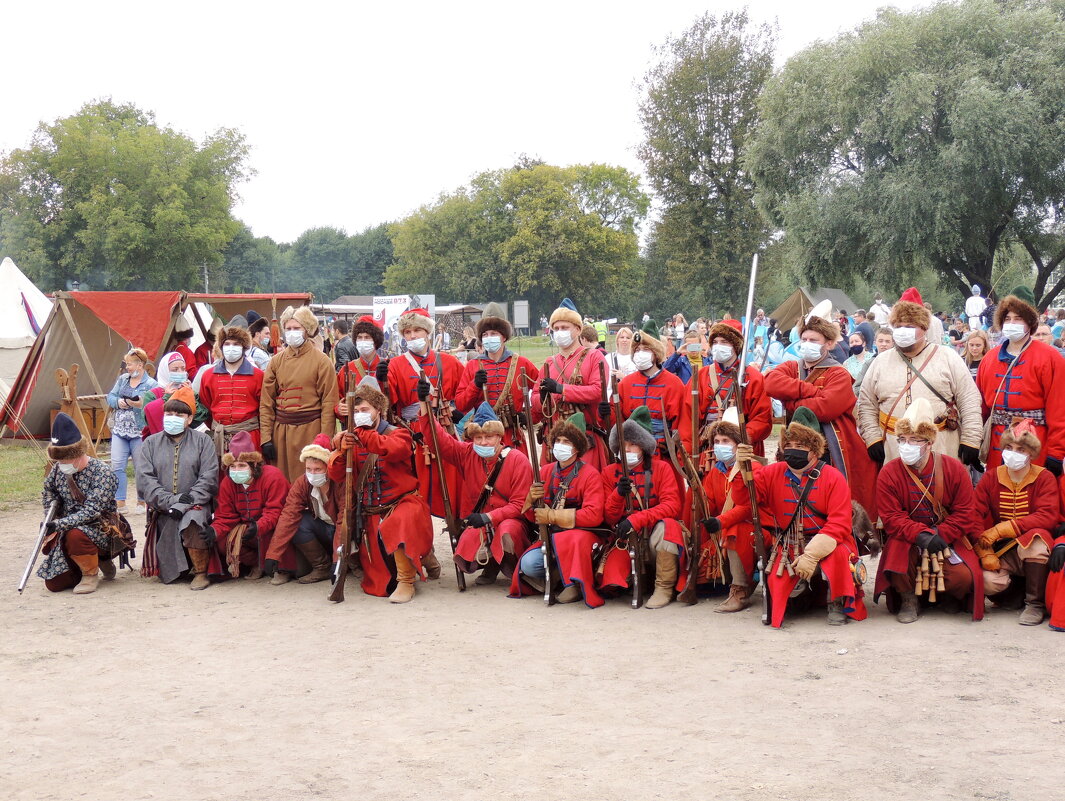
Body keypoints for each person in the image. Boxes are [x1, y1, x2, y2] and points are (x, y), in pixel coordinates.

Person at [739, 407, 867, 628]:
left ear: (814, 450)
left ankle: (836, 602)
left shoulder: (833, 477)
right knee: (779, 585)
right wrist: (742, 468)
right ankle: (800, 597)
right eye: (789, 445)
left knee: (838, 556)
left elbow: (839, 524)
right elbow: (747, 499)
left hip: (828, 539)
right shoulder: (771, 473)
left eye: (800, 446)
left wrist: (811, 554)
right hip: (788, 541)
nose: (793, 450)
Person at [873, 399, 983, 623]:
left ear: (929, 443)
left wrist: (940, 534)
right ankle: (908, 599)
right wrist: (921, 535)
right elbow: (892, 518)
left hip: (947, 538)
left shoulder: (954, 469)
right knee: (897, 558)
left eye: (914, 440)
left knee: (963, 577)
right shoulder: (888, 473)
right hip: (908, 538)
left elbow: (965, 513)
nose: (906, 445)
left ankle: (947, 596)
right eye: (902, 439)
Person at [327, 376, 434, 602]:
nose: (359, 414)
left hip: (403, 504)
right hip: (372, 513)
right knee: (379, 583)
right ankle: (419, 562)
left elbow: (391, 449)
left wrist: (362, 434)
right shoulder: (352, 439)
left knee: (398, 522)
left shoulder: (398, 433)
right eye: (355, 410)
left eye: (364, 408)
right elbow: (337, 476)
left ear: (378, 410)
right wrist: (339, 450)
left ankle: (407, 581)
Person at [764, 313, 877, 517]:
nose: (807, 344)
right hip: (795, 445)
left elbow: (825, 409)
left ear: (830, 343)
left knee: (829, 499)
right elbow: (770, 382)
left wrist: (789, 402)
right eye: (804, 339)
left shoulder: (839, 373)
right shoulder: (792, 367)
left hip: (830, 449)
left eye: (813, 340)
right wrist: (810, 391)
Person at [858, 288, 983, 466]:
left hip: (941, 446)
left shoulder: (948, 357)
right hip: (893, 448)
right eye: (898, 326)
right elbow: (867, 404)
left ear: (923, 328)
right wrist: (873, 438)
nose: (902, 331)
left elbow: (969, 400)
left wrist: (970, 440)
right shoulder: (880, 362)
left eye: (909, 327)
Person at [417, 402, 533, 585]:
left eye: (488, 436)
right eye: (478, 437)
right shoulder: (466, 453)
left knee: (507, 533)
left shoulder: (518, 460)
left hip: (510, 521)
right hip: (480, 521)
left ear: (499, 437)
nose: (483, 442)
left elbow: (520, 505)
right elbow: (439, 441)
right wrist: (425, 408)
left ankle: (513, 569)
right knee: (468, 545)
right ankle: (491, 564)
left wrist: (488, 516)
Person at [510, 413, 606, 605]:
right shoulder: (546, 471)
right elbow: (533, 517)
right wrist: (530, 500)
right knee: (529, 564)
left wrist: (552, 515)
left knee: (573, 539)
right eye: (558, 440)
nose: (560, 445)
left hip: (581, 536)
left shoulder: (590, 474)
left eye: (567, 441)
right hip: (552, 537)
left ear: (577, 447)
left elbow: (593, 515)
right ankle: (560, 576)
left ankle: (575, 583)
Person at [974, 420, 1060, 625]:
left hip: (1033, 546)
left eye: (1021, 449)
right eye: (1009, 448)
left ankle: (1035, 604)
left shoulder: (1044, 477)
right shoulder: (991, 477)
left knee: (1036, 542)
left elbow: (1048, 515)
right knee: (987, 582)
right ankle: (1013, 595)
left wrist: (1006, 527)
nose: (1013, 453)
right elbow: (973, 514)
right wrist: (984, 551)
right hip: (1004, 549)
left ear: (1031, 453)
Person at [599, 406, 685, 608]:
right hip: (625, 539)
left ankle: (664, 587)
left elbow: (672, 505)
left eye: (633, 445)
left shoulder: (661, 468)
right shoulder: (609, 472)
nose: (626, 450)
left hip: (653, 533)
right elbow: (608, 517)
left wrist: (637, 519)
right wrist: (617, 495)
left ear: (644, 447)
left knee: (669, 528)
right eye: (623, 444)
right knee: (611, 583)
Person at [385, 306, 464, 524]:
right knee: (416, 491)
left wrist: (458, 414)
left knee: (452, 486)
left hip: (443, 431)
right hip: (414, 434)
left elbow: (464, 395)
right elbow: (388, 403)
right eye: (407, 332)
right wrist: (382, 382)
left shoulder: (449, 362)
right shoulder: (396, 364)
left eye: (416, 331)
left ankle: (458, 531)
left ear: (427, 332)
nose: (412, 336)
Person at [135, 387, 219, 589]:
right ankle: (176, 568)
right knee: (172, 521)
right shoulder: (150, 443)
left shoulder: (203, 441)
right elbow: (145, 479)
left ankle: (200, 572)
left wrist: (187, 501)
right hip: (163, 508)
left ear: (189, 419)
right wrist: (171, 502)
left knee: (193, 520)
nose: (173, 417)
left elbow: (209, 477)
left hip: (195, 505)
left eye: (179, 414)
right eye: (169, 414)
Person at [975, 289, 1065, 473]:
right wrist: (973, 442)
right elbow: (980, 408)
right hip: (997, 443)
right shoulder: (989, 359)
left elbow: (1059, 409)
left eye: (1018, 319)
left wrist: (1056, 453)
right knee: (998, 495)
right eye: (1007, 319)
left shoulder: (1050, 358)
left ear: (1029, 323)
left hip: (1036, 443)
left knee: (1036, 496)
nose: (1012, 323)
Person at [36, 413, 120, 594]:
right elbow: (48, 490)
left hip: (99, 527)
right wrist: (50, 513)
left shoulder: (103, 473)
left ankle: (92, 572)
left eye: (65, 460)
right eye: (59, 460)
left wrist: (59, 524)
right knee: (54, 585)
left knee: (76, 535)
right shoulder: (59, 469)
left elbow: (92, 511)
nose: (62, 465)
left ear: (79, 454)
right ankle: (81, 564)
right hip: (65, 526)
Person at [259, 305, 339, 484]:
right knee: (283, 484)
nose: (292, 332)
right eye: (288, 328)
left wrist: (324, 439)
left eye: (297, 328)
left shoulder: (322, 361)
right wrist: (266, 438)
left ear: (307, 330)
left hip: (310, 431)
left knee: (311, 481)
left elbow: (329, 403)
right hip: (281, 434)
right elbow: (266, 403)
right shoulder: (275, 362)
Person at [532, 298, 610, 471]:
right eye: (557, 328)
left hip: (584, 437)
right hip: (553, 439)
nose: (560, 332)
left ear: (577, 329)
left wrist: (561, 389)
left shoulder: (594, 357)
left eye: (565, 328)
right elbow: (535, 402)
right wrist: (544, 399)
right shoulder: (549, 363)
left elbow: (597, 391)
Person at [694, 416, 761, 612]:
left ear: (738, 445)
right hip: (723, 526)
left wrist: (721, 521)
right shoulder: (716, 472)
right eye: (716, 441)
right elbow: (709, 505)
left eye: (726, 441)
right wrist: (695, 487)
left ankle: (740, 590)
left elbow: (749, 507)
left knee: (735, 529)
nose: (720, 445)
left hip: (752, 527)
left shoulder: (752, 468)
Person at [454, 302, 538, 455]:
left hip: (511, 436)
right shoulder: (473, 365)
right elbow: (461, 404)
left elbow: (540, 393)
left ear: (503, 336)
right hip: (483, 436)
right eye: (485, 335)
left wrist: (529, 415)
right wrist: (475, 385)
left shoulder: (521, 363)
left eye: (493, 334)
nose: (488, 338)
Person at [264, 434, 344, 588]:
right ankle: (322, 567)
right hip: (323, 529)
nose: (312, 473)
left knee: (350, 531)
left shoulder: (340, 483)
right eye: (308, 469)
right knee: (299, 523)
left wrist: (338, 560)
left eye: (318, 469)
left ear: (328, 467)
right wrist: (273, 554)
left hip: (343, 531)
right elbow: (289, 514)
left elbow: (344, 522)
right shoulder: (302, 483)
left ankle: (352, 564)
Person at [209, 431, 291, 580]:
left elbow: (276, 511)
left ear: (254, 464)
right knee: (223, 541)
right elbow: (225, 515)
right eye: (232, 466)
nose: (236, 470)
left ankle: (282, 568)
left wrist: (259, 527)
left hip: (271, 525)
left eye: (241, 465)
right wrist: (214, 531)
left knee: (279, 530)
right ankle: (256, 564)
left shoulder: (273, 476)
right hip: (246, 528)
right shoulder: (228, 482)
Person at [688, 320, 772, 462]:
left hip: (741, 448)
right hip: (707, 448)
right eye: (715, 341)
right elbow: (688, 417)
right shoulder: (701, 376)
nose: (718, 346)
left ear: (735, 346)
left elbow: (762, 419)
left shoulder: (754, 378)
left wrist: (739, 438)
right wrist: (690, 450)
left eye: (725, 342)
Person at [607, 327, 690, 463]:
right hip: (632, 452)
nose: (640, 353)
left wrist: (677, 450)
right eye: (637, 350)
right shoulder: (625, 383)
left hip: (663, 452)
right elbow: (615, 419)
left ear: (655, 353)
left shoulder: (674, 383)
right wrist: (604, 412)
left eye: (645, 349)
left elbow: (683, 423)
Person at [198, 325, 265, 457]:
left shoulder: (258, 376)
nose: (231, 347)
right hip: (221, 436)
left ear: (244, 347)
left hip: (250, 436)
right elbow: (206, 406)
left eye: (236, 344)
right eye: (227, 343)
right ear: (221, 347)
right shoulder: (208, 375)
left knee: (249, 472)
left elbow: (264, 409)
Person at [106, 347, 158, 513]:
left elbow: (154, 405)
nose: (127, 367)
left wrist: (141, 404)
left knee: (141, 467)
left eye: (130, 364)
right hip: (120, 429)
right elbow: (110, 396)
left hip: (139, 431)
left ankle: (142, 502)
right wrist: (118, 402)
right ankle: (120, 502)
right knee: (117, 465)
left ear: (140, 365)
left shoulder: (151, 384)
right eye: (127, 364)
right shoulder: (122, 379)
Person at [335, 315, 384, 426]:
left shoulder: (388, 366)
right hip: (354, 428)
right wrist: (339, 409)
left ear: (375, 340)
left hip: (382, 429)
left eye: (367, 337)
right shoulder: (346, 369)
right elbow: (336, 399)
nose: (363, 341)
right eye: (359, 337)